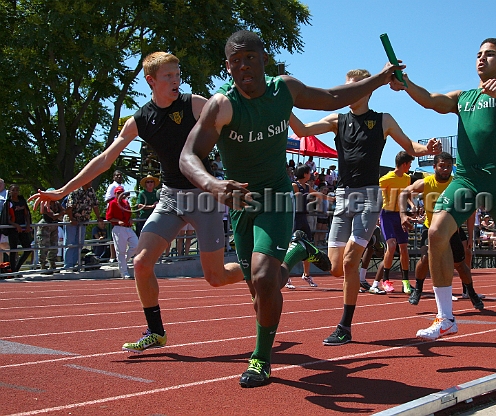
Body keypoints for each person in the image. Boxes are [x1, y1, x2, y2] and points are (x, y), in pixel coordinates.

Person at [178, 30, 408, 387]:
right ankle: (299, 251)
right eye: (235, 62)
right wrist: (213, 184)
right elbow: (188, 156)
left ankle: (260, 359)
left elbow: (332, 97)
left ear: (263, 59)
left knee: (263, 278)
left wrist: (380, 78)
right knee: (260, 294)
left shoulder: (284, 89)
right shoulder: (221, 104)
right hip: (240, 203)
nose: (243, 67)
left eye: (250, 59)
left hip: (276, 197)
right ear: (228, 67)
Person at [30, 51, 246, 354]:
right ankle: (155, 332)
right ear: (151, 81)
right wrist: (62, 191)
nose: (176, 80)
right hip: (171, 197)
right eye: (168, 76)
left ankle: (257, 269)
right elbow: (105, 160)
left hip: (204, 198)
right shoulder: (141, 119)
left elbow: (233, 124)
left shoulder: (194, 103)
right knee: (142, 262)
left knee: (216, 277)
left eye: (178, 73)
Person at [391, 37, 496, 340]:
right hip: (466, 179)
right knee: (436, 232)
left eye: (490, 54)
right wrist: (405, 83)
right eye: (479, 54)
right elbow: (431, 99)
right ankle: (445, 318)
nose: (481, 59)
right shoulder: (464, 97)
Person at [289, 69, 442, 348]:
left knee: (350, 261)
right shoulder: (338, 119)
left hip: (370, 197)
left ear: (368, 90)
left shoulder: (382, 120)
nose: (348, 94)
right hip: (343, 196)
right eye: (346, 88)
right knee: (335, 268)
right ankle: (309, 249)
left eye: (355, 88)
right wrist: (282, 105)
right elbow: (303, 131)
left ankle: (344, 326)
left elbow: (409, 146)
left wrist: (428, 149)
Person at [399, 152, 484, 310]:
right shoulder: (426, 182)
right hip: (430, 228)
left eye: (448, 166)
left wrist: (471, 235)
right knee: (425, 259)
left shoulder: (456, 184)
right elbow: (404, 193)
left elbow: (472, 212)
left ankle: (471, 292)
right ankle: (418, 289)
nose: (445, 169)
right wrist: (403, 214)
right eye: (442, 166)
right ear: (434, 167)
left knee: (460, 265)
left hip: (451, 230)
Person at [378, 151, 416, 294]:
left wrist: (411, 205)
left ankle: (406, 282)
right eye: (410, 164)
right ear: (404, 164)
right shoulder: (386, 179)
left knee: (404, 248)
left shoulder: (407, 178)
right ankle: (385, 281)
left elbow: (406, 195)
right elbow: (377, 197)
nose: (410, 166)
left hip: (401, 216)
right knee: (392, 246)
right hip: (387, 215)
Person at [62, 182, 103, 271]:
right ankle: (68, 265)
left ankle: (75, 264)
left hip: (83, 221)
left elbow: (95, 205)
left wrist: (98, 217)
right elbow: (69, 207)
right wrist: (71, 219)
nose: (91, 182)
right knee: (70, 243)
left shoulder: (91, 191)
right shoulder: (75, 190)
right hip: (72, 221)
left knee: (79, 243)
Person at [106, 186, 139, 279]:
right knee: (121, 251)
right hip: (118, 228)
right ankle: (124, 272)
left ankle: (123, 262)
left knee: (136, 245)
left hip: (128, 227)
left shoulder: (125, 203)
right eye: (118, 193)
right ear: (115, 194)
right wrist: (117, 221)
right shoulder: (112, 203)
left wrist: (131, 219)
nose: (120, 195)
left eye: (121, 193)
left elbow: (129, 214)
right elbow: (109, 217)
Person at [6, 184, 33, 273]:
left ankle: (16, 269)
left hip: (23, 228)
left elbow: (26, 214)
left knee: (28, 248)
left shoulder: (22, 201)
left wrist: (28, 225)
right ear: (10, 191)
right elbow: (7, 219)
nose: (15, 192)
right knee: (13, 250)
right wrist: (15, 225)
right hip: (13, 229)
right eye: (13, 190)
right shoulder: (8, 203)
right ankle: (13, 271)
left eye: (17, 190)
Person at [36, 188, 63, 273]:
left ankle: (52, 264)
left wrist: (60, 213)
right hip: (45, 226)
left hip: (54, 226)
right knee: (44, 246)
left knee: (54, 245)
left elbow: (62, 211)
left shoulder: (57, 203)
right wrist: (60, 214)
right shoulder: (44, 204)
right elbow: (52, 215)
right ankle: (43, 265)